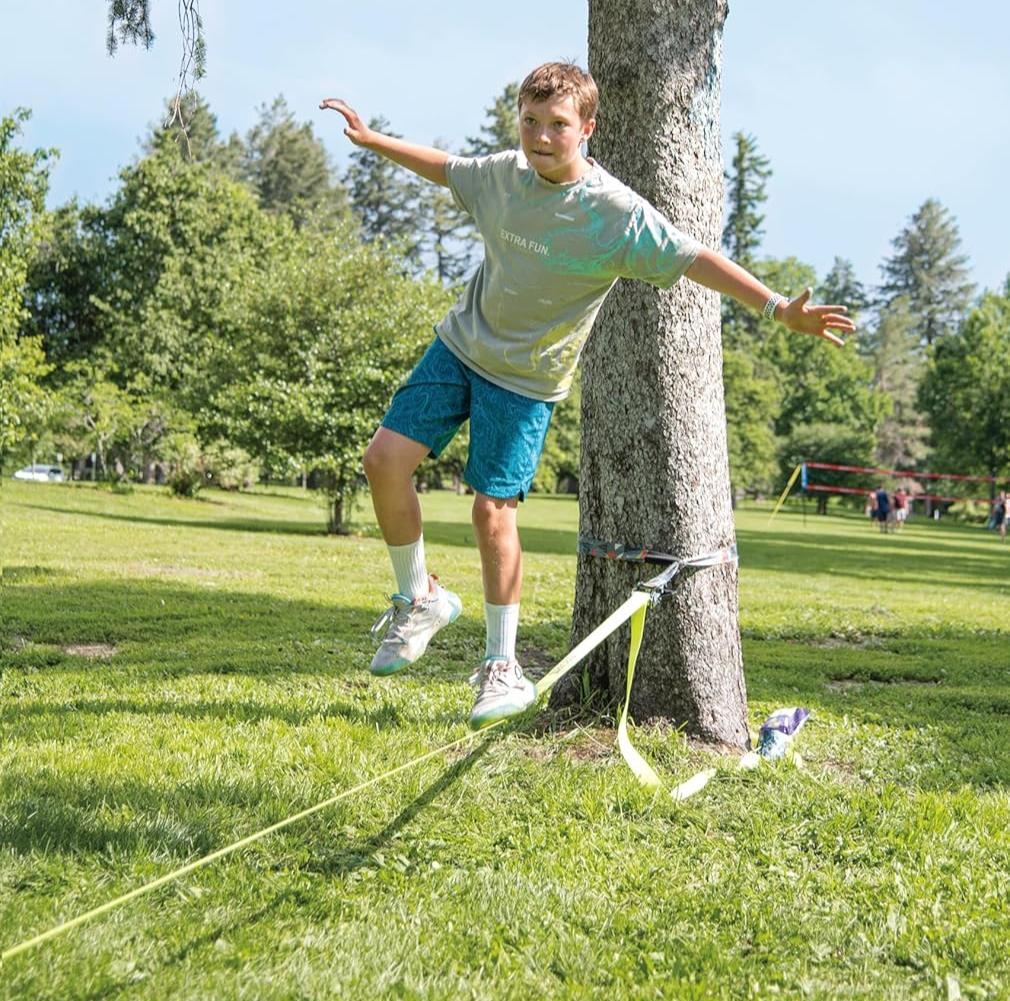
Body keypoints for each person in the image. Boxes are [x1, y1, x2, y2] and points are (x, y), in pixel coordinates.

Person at [319, 62, 855, 728]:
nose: (541, 137)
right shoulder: (502, 175)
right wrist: (373, 140)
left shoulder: (614, 214)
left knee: (491, 513)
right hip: (459, 348)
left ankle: (502, 667)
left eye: (558, 125)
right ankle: (419, 598)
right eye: (530, 122)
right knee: (383, 461)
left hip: (525, 381)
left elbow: (694, 258)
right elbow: (446, 168)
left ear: (588, 129)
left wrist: (776, 307)